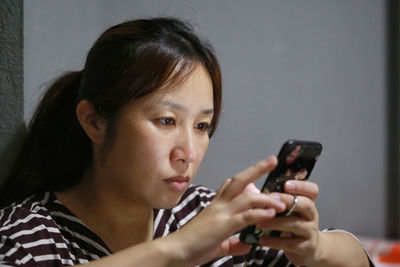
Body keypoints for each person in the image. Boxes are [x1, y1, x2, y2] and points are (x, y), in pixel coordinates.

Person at [0, 17, 372, 267]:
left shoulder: (204, 214)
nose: (189, 153)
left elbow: (359, 258)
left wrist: (316, 249)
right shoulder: (28, 235)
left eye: (202, 126)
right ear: (95, 122)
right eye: (166, 121)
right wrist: (180, 249)